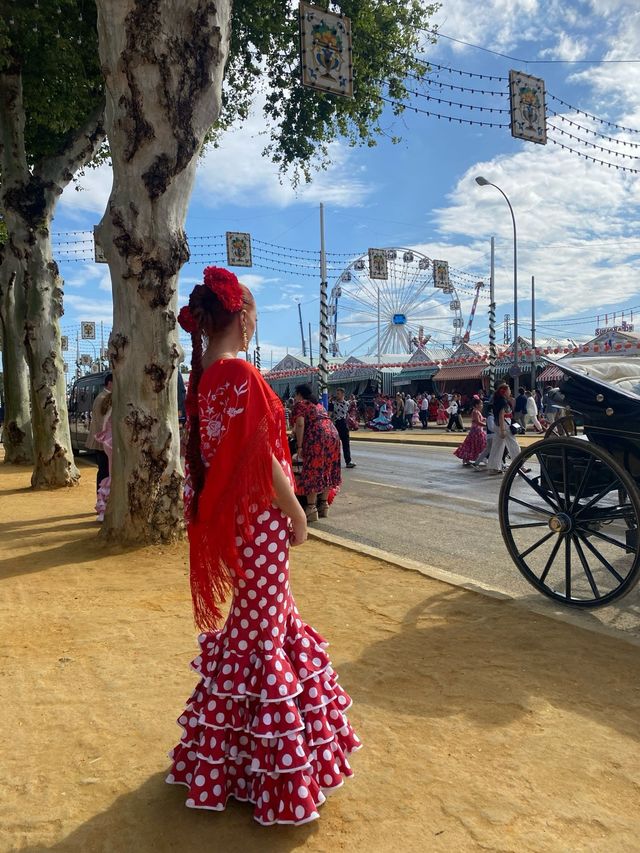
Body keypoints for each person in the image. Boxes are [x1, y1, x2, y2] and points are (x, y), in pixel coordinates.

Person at [167, 266, 361, 825]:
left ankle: (225, 760)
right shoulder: (243, 377)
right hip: (262, 521)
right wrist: (297, 511)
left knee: (255, 630)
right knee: (265, 637)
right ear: (244, 316)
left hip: (233, 523)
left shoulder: (204, 378)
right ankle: (270, 775)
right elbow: (269, 460)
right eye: (253, 314)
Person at [292, 384, 342, 520]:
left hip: (317, 437)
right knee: (328, 469)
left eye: (295, 395)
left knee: (313, 470)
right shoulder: (319, 406)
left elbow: (300, 424)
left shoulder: (301, 404)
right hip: (333, 435)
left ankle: (311, 507)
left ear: (299, 394)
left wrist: (300, 446)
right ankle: (324, 505)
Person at [486, 383, 521, 475]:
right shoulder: (503, 402)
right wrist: (503, 430)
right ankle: (519, 466)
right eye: (509, 390)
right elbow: (501, 416)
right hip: (505, 425)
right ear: (504, 391)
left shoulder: (498, 400)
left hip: (498, 425)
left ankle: (493, 467)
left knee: (497, 447)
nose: (510, 391)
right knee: (513, 445)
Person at [86, 371, 113, 492]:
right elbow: (104, 421)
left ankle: (101, 499)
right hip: (104, 441)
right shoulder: (104, 398)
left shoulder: (101, 397)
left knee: (104, 470)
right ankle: (101, 499)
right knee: (105, 471)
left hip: (101, 440)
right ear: (110, 383)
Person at [95, 394, 113, 522]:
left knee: (110, 471)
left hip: (108, 440)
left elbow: (104, 423)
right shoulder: (115, 408)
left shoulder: (107, 406)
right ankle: (105, 510)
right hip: (113, 441)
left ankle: (103, 510)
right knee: (113, 474)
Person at [454, 397, 486, 466]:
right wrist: (486, 425)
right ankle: (474, 458)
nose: (482, 405)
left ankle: (468, 459)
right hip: (477, 432)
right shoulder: (475, 411)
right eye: (481, 404)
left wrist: (485, 419)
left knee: (472, 445)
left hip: (477, 431)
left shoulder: (477, 411)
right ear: (477, 405)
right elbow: (478, 422)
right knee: (476, 445)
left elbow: (480, 420)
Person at [332, 387, 356, 469]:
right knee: (335, 445)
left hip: (344, 424)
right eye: (337, 393)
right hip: (336, 424)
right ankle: (335, 462)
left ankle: (348, 461)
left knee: (346, 444)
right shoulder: (333, 403)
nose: (337, 395)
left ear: (343, 394)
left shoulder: (347, 404)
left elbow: (349, 414)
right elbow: (330, 414)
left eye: (338, 393)